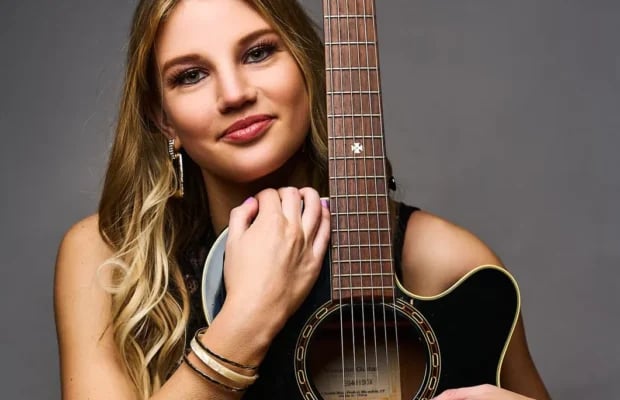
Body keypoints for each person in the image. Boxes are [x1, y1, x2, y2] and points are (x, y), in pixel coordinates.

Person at [54, 1, 551, 399]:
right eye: (191, 75)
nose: (234, 93)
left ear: (306, 64)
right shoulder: (105, 257)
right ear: (164, 120)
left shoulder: (446, 263)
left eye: (258, 53)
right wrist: (248, 315)